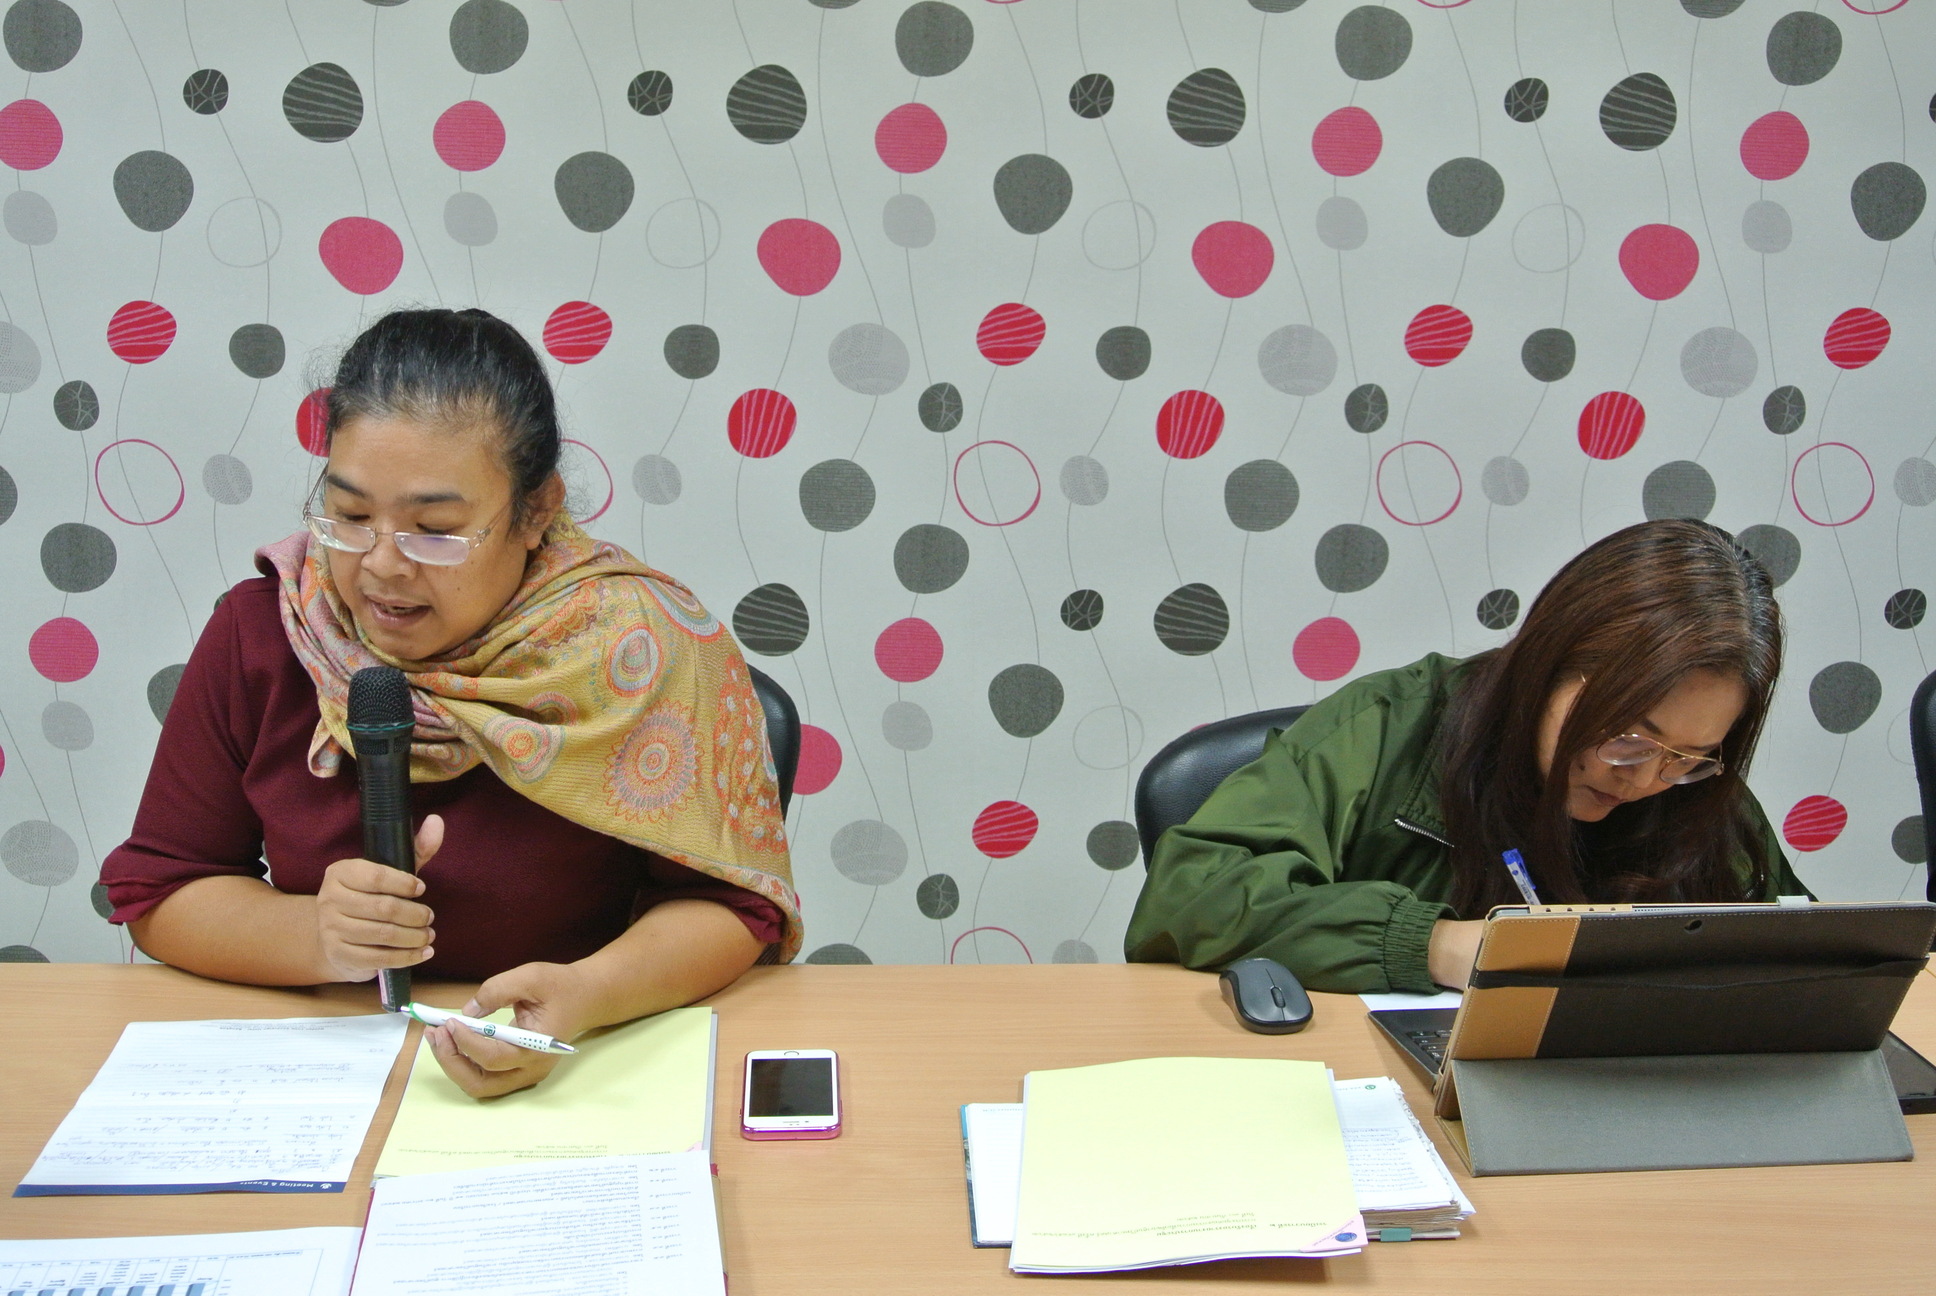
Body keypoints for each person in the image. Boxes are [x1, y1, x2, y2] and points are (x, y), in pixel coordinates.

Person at [104, 308, 798, 1096]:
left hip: (581, 1067)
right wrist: (317, 936)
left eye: (434, 529)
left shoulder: (643, 649)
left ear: (536, 511)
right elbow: (161, 890)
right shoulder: (267, 633)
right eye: (350, 517)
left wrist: (589, 997)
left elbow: (731, 906)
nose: (381, 567)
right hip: (331, 1075)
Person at [1125, 519, 1805, 994]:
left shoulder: (1698, 796)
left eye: (1686, 757)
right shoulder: (1389, 728)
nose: (1643, 778)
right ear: (1549, 661)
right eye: (1629, 737)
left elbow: (1805, 953)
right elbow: (1193, 895)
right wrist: (1433, 945)